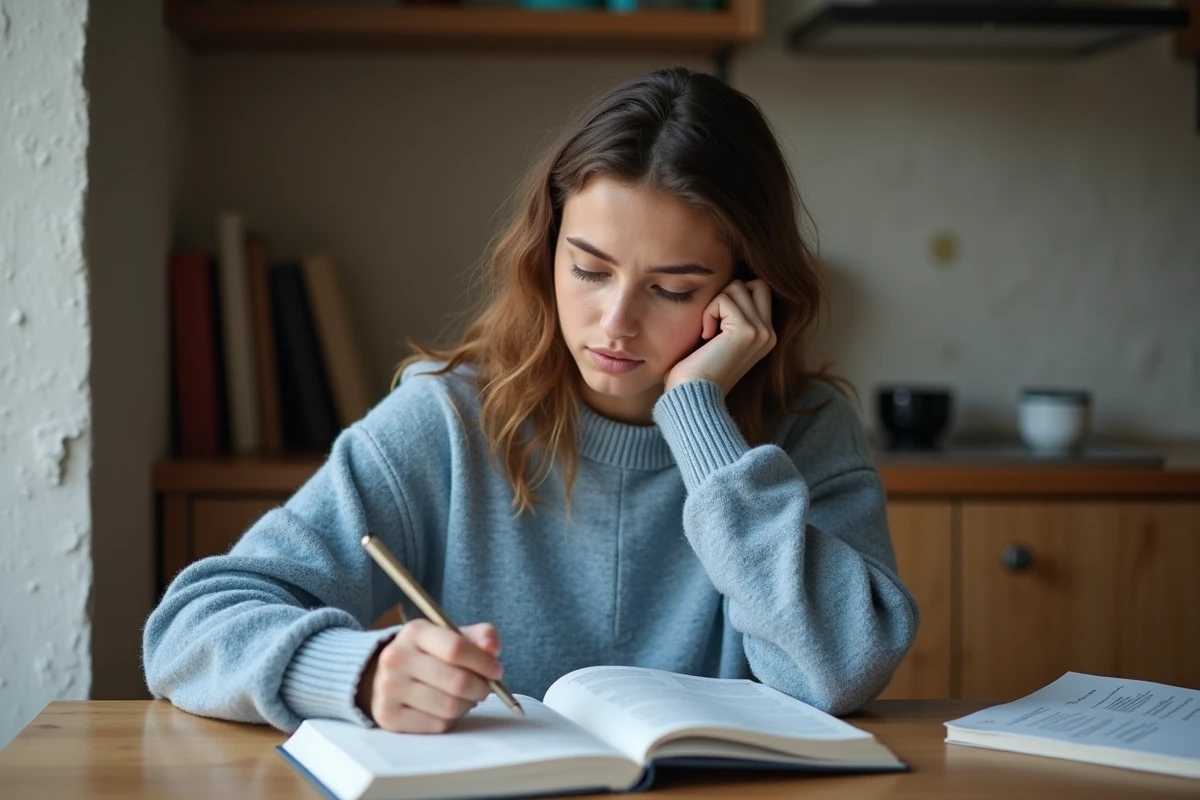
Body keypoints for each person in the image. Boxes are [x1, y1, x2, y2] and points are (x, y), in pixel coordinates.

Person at [143, 67, 919, 735]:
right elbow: (189, 627)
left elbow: (843, 670)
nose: (616, 322)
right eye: (588, 269)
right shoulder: (448, 421)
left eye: (672, 289)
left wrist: (699, 419)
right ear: (545, 251)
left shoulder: (806, 432)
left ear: (746, 292)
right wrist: (356, 672)